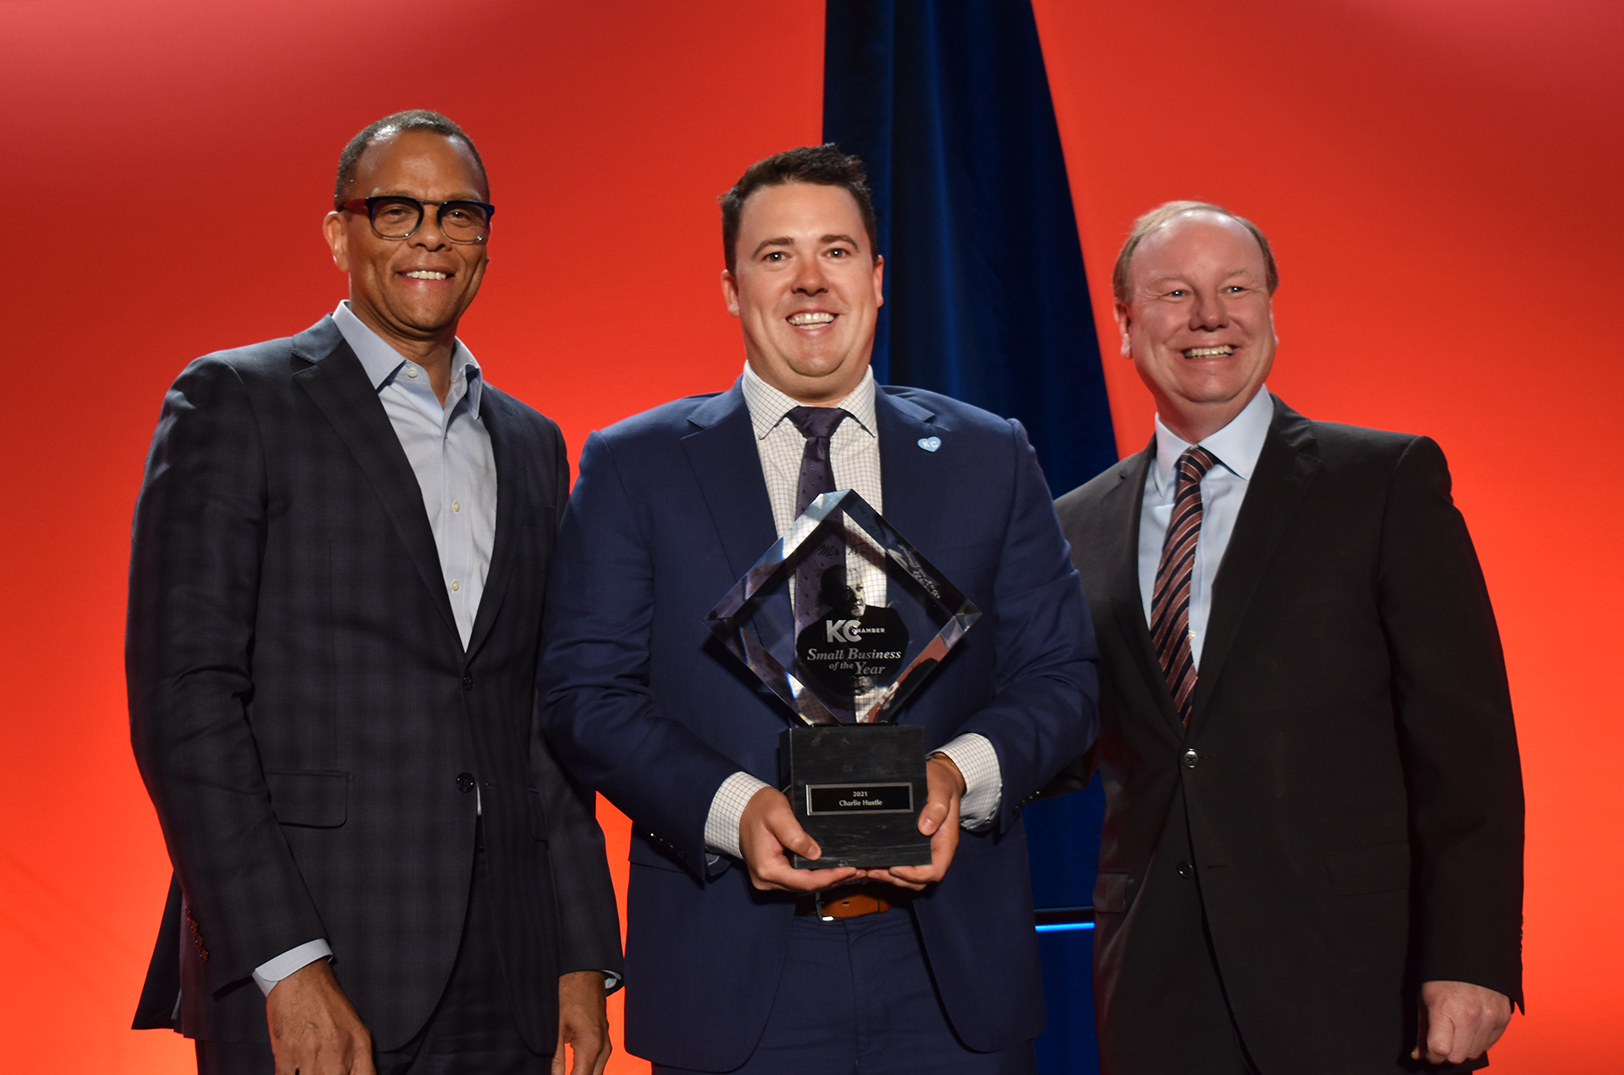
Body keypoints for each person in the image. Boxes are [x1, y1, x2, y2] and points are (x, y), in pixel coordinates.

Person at [535, 145, 1098, 1073]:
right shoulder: (635, 465)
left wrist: (956, 776)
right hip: (735, 966)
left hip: (948, 970)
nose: (809, 280)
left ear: (877, 278)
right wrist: (735, 808)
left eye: (836, 251)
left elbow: (1063, 679)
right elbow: (584, 696)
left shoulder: (989, 455)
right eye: (776, 254)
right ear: (731, 288)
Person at [127, 110, 622, 1075]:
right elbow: (184, 700)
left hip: (508, 968)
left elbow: (533, 711)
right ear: (338, 231)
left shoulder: (532, 444)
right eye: (397, 210)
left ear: (485, 240)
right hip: (317, 956)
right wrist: (286, 962)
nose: (431, 237)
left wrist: (580, 946)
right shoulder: (237, 399)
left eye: (459, 214)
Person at [1052, 201, 1524, 1073]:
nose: (1210, 316)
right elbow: (1062, 733)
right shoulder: (1072, 524)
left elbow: (1467, 749)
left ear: (1271, 308)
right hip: (1158, 990)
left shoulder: (1383, 482)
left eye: (1236, 288)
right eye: (1175, 293)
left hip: (1357, 982)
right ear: (1124, 324)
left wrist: (1473, 958)